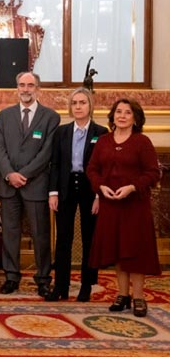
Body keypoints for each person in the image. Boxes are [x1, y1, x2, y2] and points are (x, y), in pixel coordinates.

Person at [87, 98, 161, 317]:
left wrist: (132, 187)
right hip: (111, 206)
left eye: (127, 113)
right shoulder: (103, 141)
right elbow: (92, 169)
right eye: (118, 112)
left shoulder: (142, 142)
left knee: (134, 252)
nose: (122, 116)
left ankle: (138, 297)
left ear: (135, 118)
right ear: (113, 116)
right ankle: (122, 295)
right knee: (117, 251)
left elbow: (153, 173)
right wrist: (100, 186)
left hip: (134, 206)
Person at [0, 71, 59, 296]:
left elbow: (47, 152)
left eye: (30, 85)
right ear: (17, 88)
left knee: (40, 234)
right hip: (8, 185)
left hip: (36, 186)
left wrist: (25, 174)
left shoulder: (51, 117)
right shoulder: (5, 115)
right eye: (22, 85)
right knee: (10, 234)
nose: (25, 89)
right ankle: (11, 277)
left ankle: (43, 278)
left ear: (38, 89)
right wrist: (10, 174)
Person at [46, 88, 108, 302]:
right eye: (75, 103)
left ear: (90, 105)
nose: (79, 106)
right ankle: (60, 286)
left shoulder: (101, 132)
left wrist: (100, 195)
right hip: (65, 186)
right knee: (63, 238)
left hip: (90, 188)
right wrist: (53, 192)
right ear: (70, 107)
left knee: (89, 238)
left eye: (83, 102)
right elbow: (54, 164)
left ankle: (86, 286)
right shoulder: (61, 132)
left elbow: (105, 167)